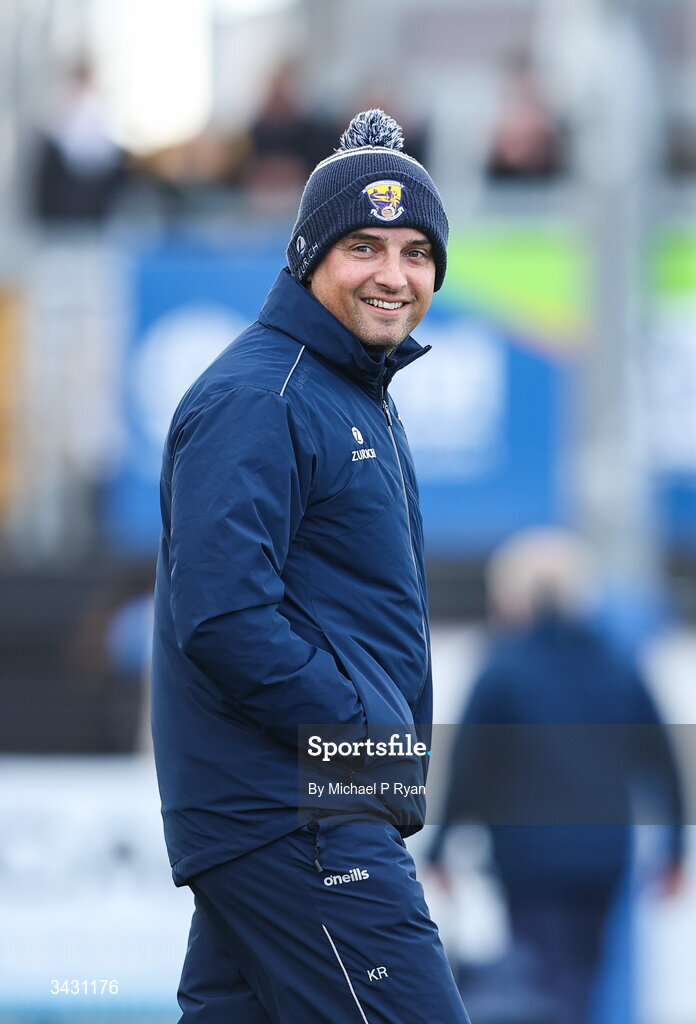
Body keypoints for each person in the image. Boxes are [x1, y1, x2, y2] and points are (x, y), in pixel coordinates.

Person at [151, 109, 470, 1024]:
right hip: (300, 814)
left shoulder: (340, 389)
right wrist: (363, 735)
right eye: (363, 246)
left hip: (287, 814)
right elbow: (222, 615)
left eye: (416, 252)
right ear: (307, 255)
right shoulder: (264, 393)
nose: (393, 274)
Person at [427, 529, 684, 1024]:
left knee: (540, 982)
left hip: (529, 859)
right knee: (582, 980)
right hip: (604, 856)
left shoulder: (503, 669)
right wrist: (675, 851)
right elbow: (660, 757)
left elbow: (470, 766)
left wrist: (441, 852)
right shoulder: (615, 666)